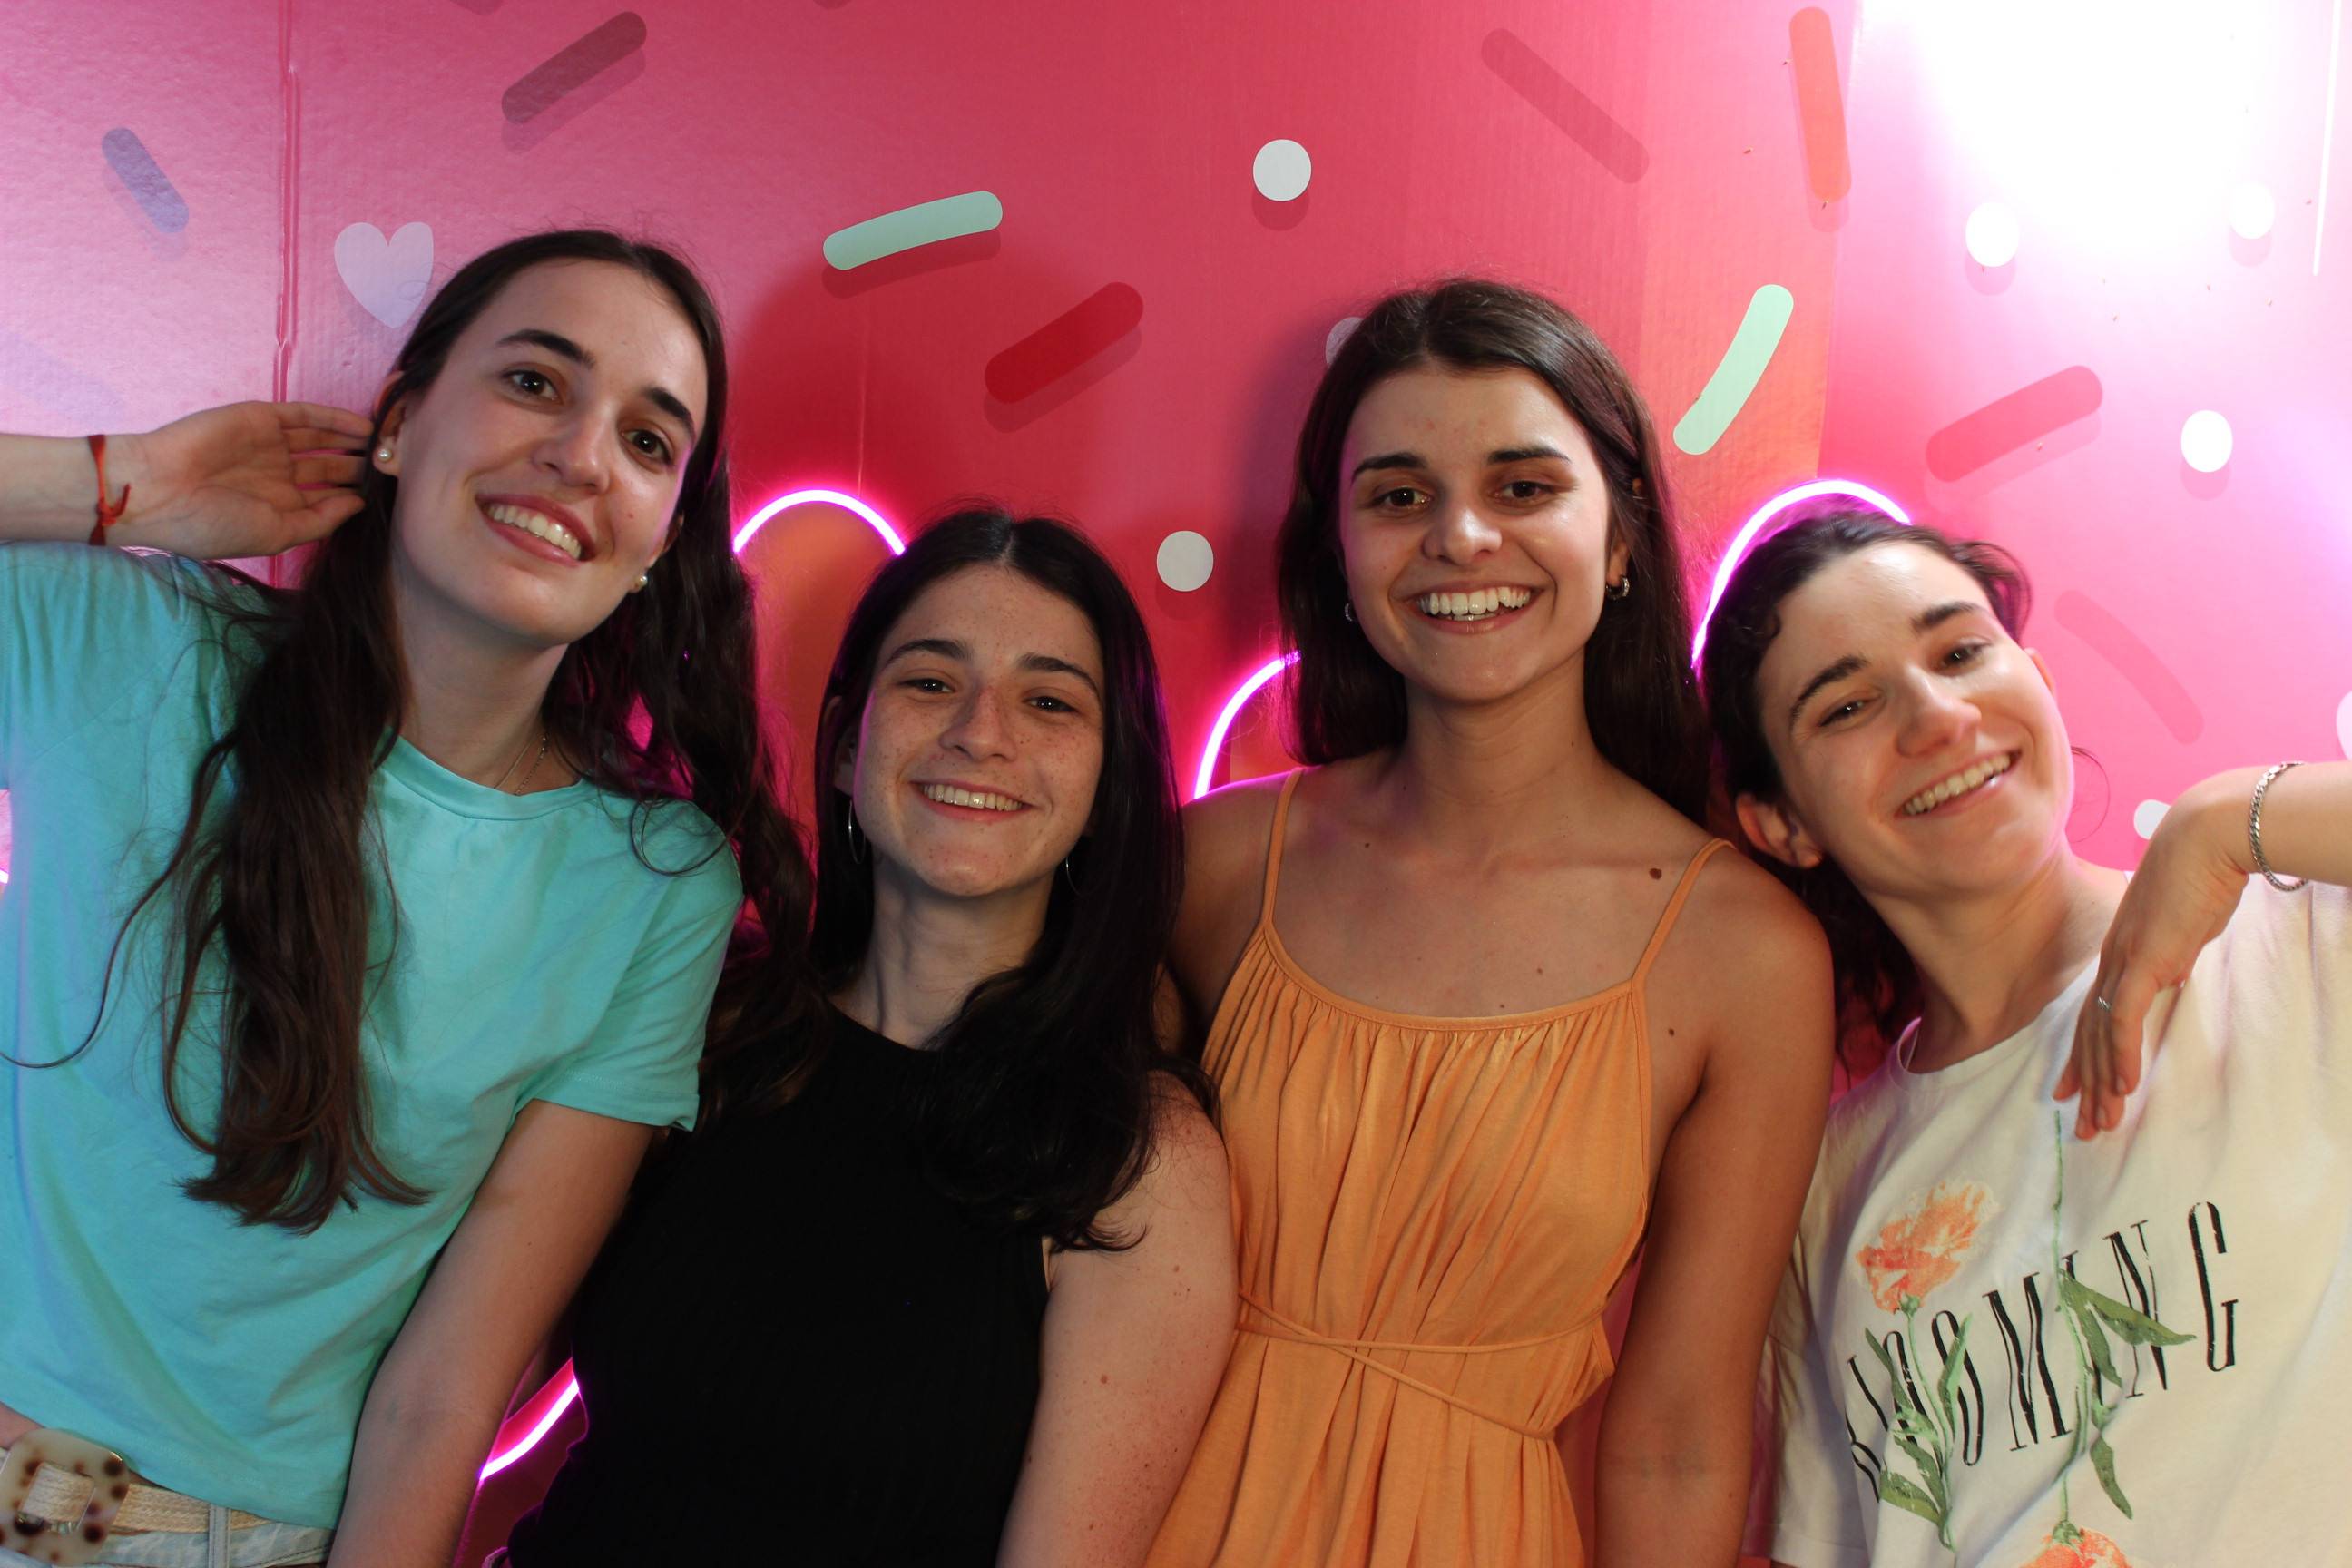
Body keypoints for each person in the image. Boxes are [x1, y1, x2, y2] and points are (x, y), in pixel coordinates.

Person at [0, 230, 807, 1568]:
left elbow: (444, 1394)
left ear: (661, 543)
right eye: (535, 382)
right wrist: (131, 483)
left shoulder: (650, 886)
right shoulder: (128, 642)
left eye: (647, 441)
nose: (581, 456)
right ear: (397, 424)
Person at [1145, 280, 1834, 1567]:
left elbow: (1679, 1440)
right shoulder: (1210, 867)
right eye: (1399, 496)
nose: (1461, 536)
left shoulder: (1745, 954)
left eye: (1524, 487)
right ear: (1339, 556)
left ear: (1621, 539)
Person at [504, 509, 1234, 1565]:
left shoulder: (1138, 1155)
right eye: (931, 682)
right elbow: (480, 1358)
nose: (981, 732)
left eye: (1048, 701)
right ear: (849, 745)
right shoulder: (711, 1021)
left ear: (1104, 788)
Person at [1700, 505, 2352, 1567]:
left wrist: (2229, 819)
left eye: (1962, 652)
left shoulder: (2302, 936)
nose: (1938, 716)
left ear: (2040, 680)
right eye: (1848, 705)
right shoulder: (1819, 1187)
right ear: (1783, 824)